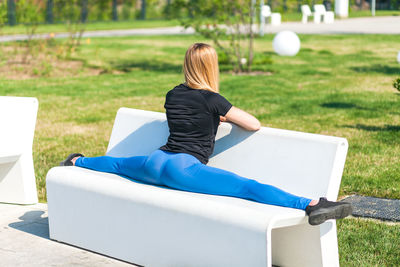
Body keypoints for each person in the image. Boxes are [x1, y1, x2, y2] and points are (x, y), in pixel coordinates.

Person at [60, 43, 352, 226]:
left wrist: (215, 115)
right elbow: (254, 123)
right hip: (182, 169)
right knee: (246, 187)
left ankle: (77, 162)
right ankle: (310, 205)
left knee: (119, 164)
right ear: (210, 67)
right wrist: (221, 113)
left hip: (156, 161)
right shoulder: (213, 99)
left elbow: (188, 116)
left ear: (187, 65)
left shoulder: (173, 94)